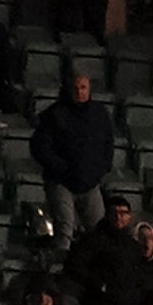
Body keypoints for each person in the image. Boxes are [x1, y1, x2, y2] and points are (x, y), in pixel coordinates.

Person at [30, 72, 115, 237]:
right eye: (75, 88)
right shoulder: (54, 115)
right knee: (64, 229)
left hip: (91, 182)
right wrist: (62, 169)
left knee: (99, 231)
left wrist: (101, 169)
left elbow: (108, 144)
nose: (79, 92)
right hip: (61, 182)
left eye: (83, 88)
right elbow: (40, 148)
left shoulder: (99, 114)